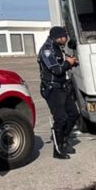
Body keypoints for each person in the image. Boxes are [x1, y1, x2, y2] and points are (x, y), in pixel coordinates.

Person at [38, 26, 79, 159]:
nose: (66, 39)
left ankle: (65, 140)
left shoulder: (58, 48)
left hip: (63, 87)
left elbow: (63, 64)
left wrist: (72, 62)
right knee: (60, 118)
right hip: (52, 88)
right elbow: (56, 70)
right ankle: (58, 149)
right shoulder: (47, 50)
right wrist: (68, 63)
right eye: (64, 36)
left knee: (73, 114)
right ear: (58, 37)